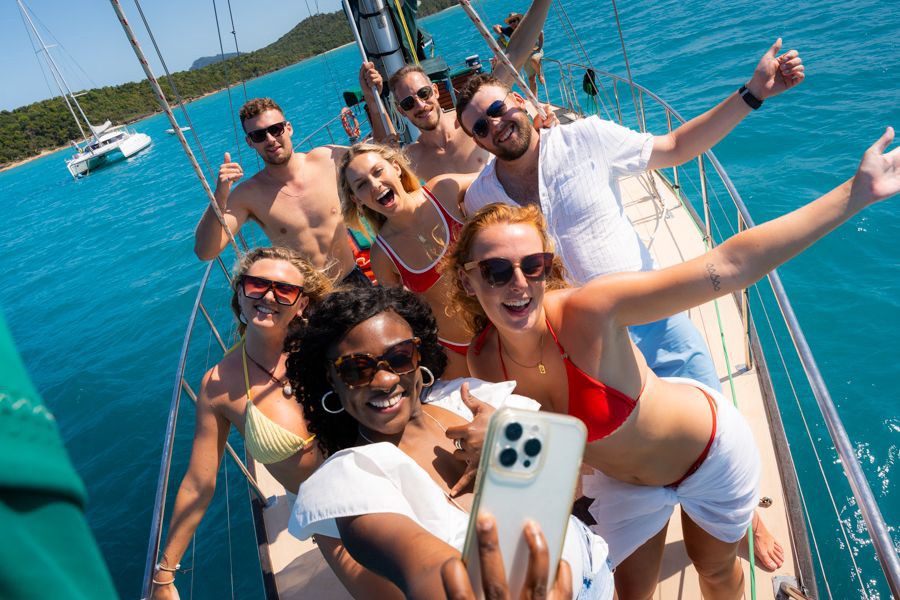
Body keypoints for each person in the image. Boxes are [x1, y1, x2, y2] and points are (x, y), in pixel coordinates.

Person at [444, 128, 900, 598]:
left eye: (533, 265)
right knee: (628, 590)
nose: (519, 283)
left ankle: (746, 532)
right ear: (468, 279)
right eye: (497, 271)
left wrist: (855, 193)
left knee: (714, 569)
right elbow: (555, 456)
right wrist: (500, 449)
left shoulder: (591, 311)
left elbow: (728, 266)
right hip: (626, 482)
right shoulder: (484, 362)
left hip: (707, 455)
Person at [456, 42, 805, 573]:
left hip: (653, 319)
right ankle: (644, 513)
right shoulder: (483, 199)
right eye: (480, 126)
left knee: (714, 419)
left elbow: (675, 146)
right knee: (613, 448)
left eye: (499, 108)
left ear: (521, 102)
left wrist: (753, 93)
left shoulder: (585, 138)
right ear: (476, 141)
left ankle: (743, 513)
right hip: (579, 343)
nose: (495, 124)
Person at [285, 286, 615, 600]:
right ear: (331, 380)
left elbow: (572, 483)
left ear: (419, 355)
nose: (384, 381)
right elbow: (422, 566)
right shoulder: (352, 477)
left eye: (400, 357)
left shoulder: (465, 400)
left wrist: (507, 450)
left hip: (592, 566)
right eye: (357, 369)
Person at [149, 247, 333, 599]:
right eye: (257, 284)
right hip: (323, 514)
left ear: (302, 304)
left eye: (284, 290)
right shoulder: (218, 386)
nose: (267, 296)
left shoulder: (325, 347)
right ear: (239, 291)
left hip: (375, 478)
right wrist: (164, 574)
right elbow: (198, 483)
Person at [359, 0, 553, 181]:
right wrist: (371, 97)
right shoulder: (412, 158)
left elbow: (514, 55)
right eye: (408, 103)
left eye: (424, 93)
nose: (420, 104)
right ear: (401, 110)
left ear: (435, 90)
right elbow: (381, 158)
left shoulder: (471, 120)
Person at [193, 98, 365, 285]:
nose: (270, 139)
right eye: (259, 135)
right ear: (250, 142)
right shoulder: (249, 194)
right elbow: (205, 251)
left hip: (351, 278)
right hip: (311, 297)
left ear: (288, 128)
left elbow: (378, 159)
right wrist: (220, 195)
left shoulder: (326, 159)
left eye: (276, 129)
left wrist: (372, 99)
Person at [338, 142, 475, 378]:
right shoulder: (382, 255)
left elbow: (500, 175)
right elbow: (399, 316)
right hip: (455, 351)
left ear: (396, 168)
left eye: (378, 171)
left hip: (503, 321)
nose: (374, 184)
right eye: (361, 185)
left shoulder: (443, 191)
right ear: (356, 199)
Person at [493, 12, 544, 95]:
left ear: (519, 20)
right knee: (531, 79)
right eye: (510, 22)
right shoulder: (509, 30)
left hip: (535, 50)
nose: (513, 23)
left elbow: (540, 32)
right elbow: (495, 26)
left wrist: (540, 46)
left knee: (534, 60)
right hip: (525, 54)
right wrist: (501, 33)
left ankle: (540, 74)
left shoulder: (526, 27)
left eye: (514, 20)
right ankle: (534, 100)